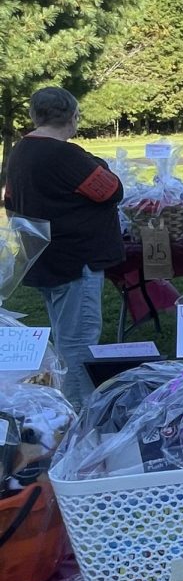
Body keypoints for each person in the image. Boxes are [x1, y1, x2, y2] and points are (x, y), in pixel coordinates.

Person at [3, 87, 124, 406]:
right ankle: (79, 419)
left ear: (35, 115)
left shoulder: (21, 150)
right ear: (72, 116)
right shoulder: (66, 155)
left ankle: (65, 409)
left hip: (45, 260)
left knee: (65, 338)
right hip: (74, 262)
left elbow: (11, 202)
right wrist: (96, 161)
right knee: (79, 347)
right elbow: (111, 190)